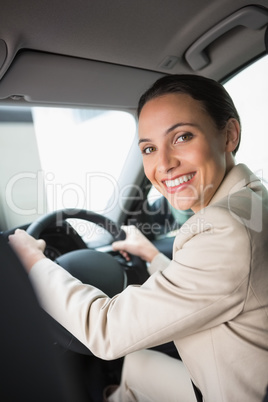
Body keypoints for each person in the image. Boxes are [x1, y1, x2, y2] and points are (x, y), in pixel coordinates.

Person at [9, 75, 268, 402]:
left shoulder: (223, 228)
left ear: (229, 135)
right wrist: (152, 256)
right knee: (137, 363)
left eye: (182, 137)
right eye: (149, 148)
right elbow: (214, 282)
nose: (164, 164)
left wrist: (33, 263)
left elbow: (106, 331)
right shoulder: (253, 201)